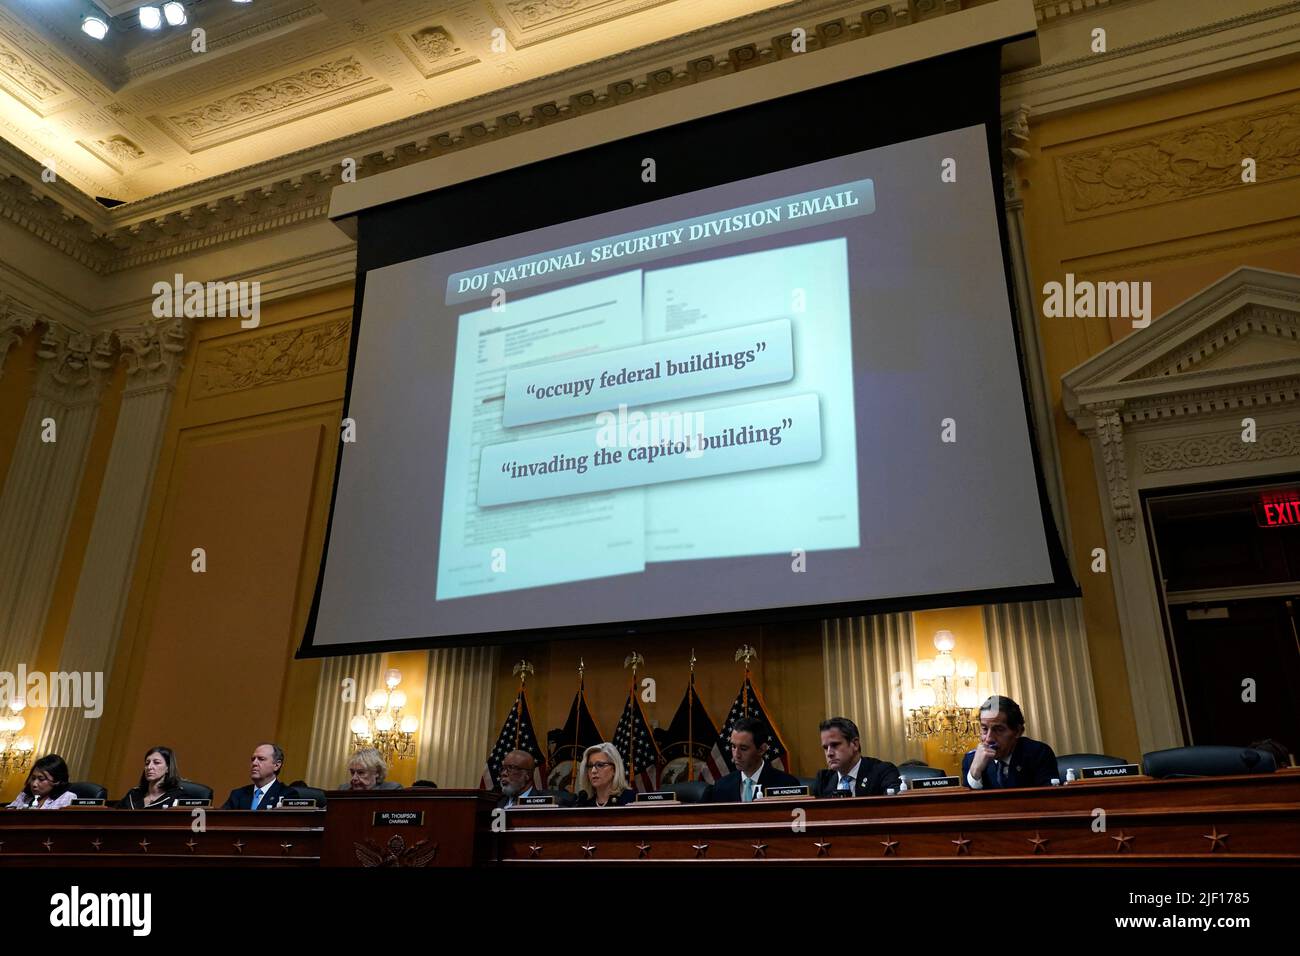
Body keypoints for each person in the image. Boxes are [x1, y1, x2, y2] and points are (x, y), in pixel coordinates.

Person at [962, 695, 1058, 789]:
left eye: (998, 729)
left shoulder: (1038, 754)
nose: (988, 739)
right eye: (984, 729)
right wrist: (974, 772)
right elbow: (965, 802)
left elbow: (1049, 799)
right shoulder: (970, 760)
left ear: (1018, 731)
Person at [710, 717, 800, 802]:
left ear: (761, 750)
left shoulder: (787, 785)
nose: (736, 755)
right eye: (733, 746)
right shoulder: (720, 786)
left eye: (743, 748)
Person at [812, 717, 901, 797]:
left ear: (855, 744)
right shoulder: (823, 780)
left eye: (835, 745)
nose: (829, 753)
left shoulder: (883, 772)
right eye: (825, 747)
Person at [221, 742, 298, 809]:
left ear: (276, 765)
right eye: (253, 759)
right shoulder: (238, 795)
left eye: (261, 759)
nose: (254, 763)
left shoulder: (287, 795)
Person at [117, 746, 187, 809]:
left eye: (156, 762)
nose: (149, 767)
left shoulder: (177, 797)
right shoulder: (133, 794)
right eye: (147, 763)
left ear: (168, 768)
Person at [574, 742, 635, 807]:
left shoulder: (629, 799)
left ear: (614, 769)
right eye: (590, 766)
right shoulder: (583, 801)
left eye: (600, 765)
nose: (593, 771)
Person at [6, 754, 75, 809]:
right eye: (33, 778)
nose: (34, 784)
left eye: (41, 779)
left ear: (57, 780)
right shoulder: (25, 795)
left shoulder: (67, 797)